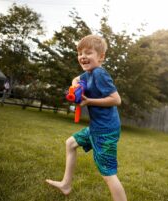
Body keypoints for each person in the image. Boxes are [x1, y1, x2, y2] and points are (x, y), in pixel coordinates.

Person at [46, 35, 127, 201]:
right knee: (71, 143)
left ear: (101, 57)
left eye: (88, 53)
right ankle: (66, 184)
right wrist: (76, 86)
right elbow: (76, 79)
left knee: (108, 173)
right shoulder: (88, 74)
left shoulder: (99, 73)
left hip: (105, 131)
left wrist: (89, 100)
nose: (82, 56)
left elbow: (116, 99)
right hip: (97, 127)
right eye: (80, 53)